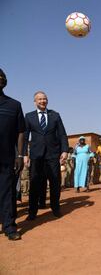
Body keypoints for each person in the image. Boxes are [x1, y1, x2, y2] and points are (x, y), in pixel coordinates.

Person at [24, 91, 68, 220]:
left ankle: (56, 208)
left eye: (44, 99)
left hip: (53, 155)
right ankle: (32, 212)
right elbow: (25, 137)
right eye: (39, 99)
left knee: (55, 182)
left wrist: (64, 150)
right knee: (34, 183)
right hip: (36, 156)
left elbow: (62, 134)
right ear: (35, 102)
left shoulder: (55, 115)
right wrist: (24, 154)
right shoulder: (29, 116)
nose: (42, 101)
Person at [0, 68, 25, 240]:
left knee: (7, 192)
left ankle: (9, 226)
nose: (0, 79)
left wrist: (20, 155)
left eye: (2, 77)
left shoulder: (14, 105)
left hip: (7, 157)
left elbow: (21, 132)